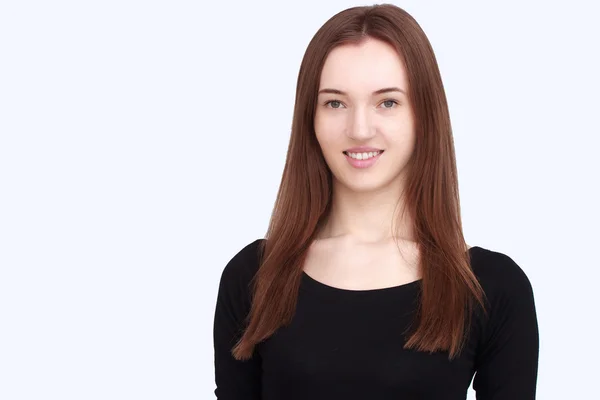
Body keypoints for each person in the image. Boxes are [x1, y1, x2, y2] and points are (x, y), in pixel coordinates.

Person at [213, 4, 539, 399]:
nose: (359, 129)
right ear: (310, 118)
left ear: (424, 115)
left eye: (387, 102)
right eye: (335, 103)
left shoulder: (491, 287)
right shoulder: (253, 278)